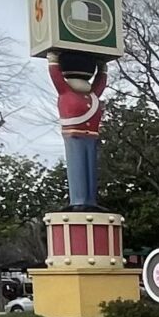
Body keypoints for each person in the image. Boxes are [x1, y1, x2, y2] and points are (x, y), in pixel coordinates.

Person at [50, 54, 108, 210]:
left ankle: (90, 201)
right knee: (77, 166)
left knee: (91, 169)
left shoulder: (92, 96)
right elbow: (56, 78)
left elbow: (100, 85)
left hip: (91, 135)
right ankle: (78, 200)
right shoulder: (66, 92)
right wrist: (53, 61)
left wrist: (102, 70)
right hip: (74, 135)